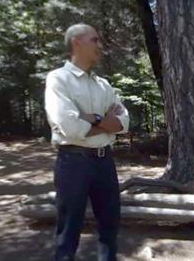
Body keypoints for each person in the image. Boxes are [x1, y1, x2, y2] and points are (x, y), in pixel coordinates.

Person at [45, 23, 129, 261]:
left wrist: (92, 119)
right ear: (76, 43)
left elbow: (124, 121)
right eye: (95, 40)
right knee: (69, 231)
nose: (99, 45)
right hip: (73, 162)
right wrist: (106, 123)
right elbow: (69, 127)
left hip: (105, 162)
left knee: (109, 228)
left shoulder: (103, 84)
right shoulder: (58, 79)